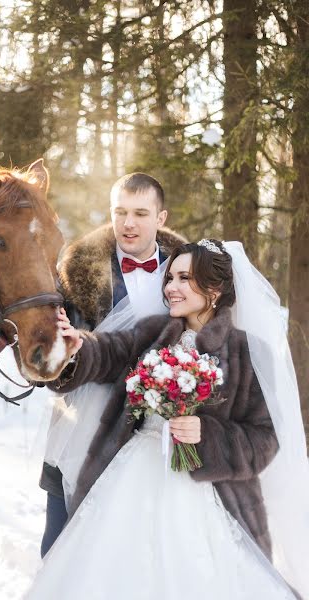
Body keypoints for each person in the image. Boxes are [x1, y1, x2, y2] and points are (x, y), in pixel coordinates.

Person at [26, 239, 309, 600]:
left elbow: (265, 440)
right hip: (132, 475)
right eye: (170, 277)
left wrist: (207, 435)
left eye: (184, 278)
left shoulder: (248, 353)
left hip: (213, 498)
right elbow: (112, 351)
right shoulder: (156, 332)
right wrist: (79, 345)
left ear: (216, 289)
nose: (171, 287)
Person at [39, 172, 186, 556]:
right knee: (58, 548)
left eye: (140, 212)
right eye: (120, 212)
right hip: (81, 429)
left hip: (154, 438)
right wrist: (64, 350)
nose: (128, 223)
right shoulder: (76, 273)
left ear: (162, 217)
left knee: (132, 555)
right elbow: (49, 366)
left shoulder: (188, 275)